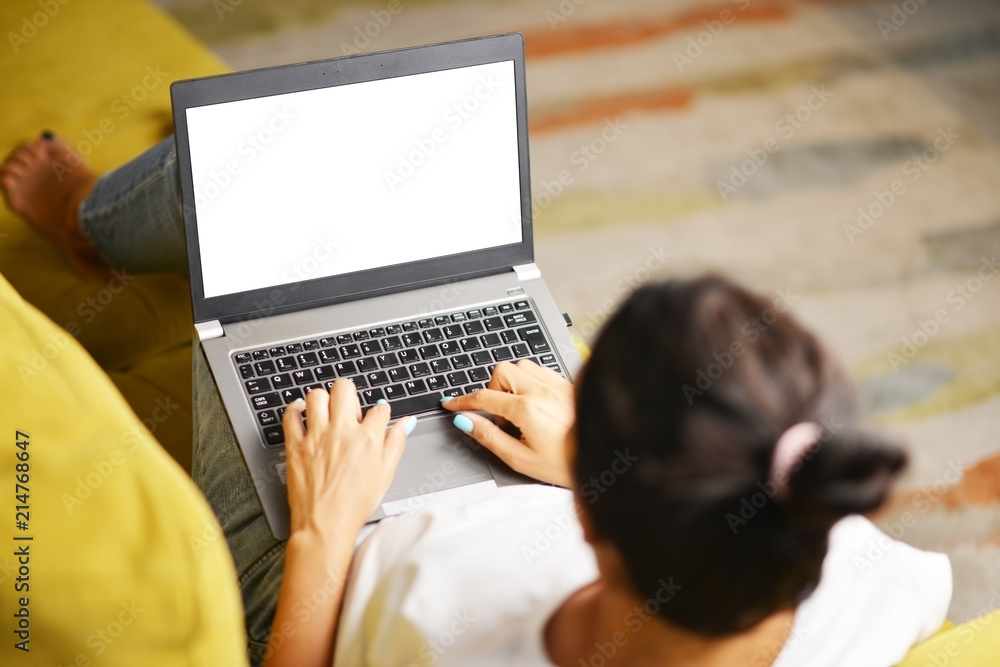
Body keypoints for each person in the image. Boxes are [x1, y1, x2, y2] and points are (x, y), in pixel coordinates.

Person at [2, 133, 951, 666]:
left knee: (245, 172)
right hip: (499, 475)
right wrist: (588, 453)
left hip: (328, 563)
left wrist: (324, 534)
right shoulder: (856, 567)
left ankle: (95, 227)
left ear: (594, 516)